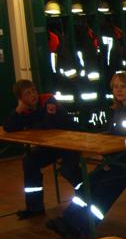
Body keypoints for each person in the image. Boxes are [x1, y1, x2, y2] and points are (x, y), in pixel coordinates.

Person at [46, 71, 126, 239]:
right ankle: (68, 221)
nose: (119, 90)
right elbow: (116, 134)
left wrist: (112, 153)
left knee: (104, 189)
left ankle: (83, 227)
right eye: (115, 87)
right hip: (119, 155)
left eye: (123, 86)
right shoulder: (118, 109)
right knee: (89, 183)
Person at [4, 79, 82, 219]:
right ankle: (35, 208)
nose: (33, 95)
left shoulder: (48, 100)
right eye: (27, 93)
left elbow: (49, 124)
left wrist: (30, 125)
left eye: (34, 91)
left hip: (69, 143)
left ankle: (88, 196)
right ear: (21, 99)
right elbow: (9, 127)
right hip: (51, 146)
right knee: (30, 162)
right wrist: (18, 110)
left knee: (68, 170)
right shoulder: (25, 110)